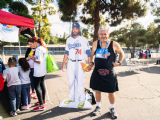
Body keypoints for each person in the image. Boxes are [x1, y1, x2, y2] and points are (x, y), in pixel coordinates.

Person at [88, 27, 124, 119]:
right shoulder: (96, 43)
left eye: (105, 34)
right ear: (99, 35)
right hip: (97, 72)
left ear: (108, 34)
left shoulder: (114, 44)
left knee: (111, 92)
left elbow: (121, 53)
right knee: (97, 90)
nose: (103, 36)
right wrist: (91, 63)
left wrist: (119, 62)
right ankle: (98, 106)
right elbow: (92, 54)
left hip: (109, 73)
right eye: (101, 34)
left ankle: (112, 108)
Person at [62, 23, 91, 108]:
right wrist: (63, 64)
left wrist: (89, 65)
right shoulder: (68, 40)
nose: (74, 30)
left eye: (76, 28)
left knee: (80, 83)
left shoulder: (83, 39)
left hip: (80, 63)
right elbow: (66, 52)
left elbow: (88, 53)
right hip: (70, 62)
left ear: (79, 30)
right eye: (73, 28)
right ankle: (71, 98)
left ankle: (81, 100)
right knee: (71, 81)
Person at [29, 37, 48, 111]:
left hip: (38, 71)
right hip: (43, 70)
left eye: (31, 43)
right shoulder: (43, 48)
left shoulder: (38, 49)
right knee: (42, 85)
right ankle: (43, 101)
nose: (31, 45)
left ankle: (41, 105)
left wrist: (32, 59)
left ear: (35, 42)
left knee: (37, 87)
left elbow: (39, 61)